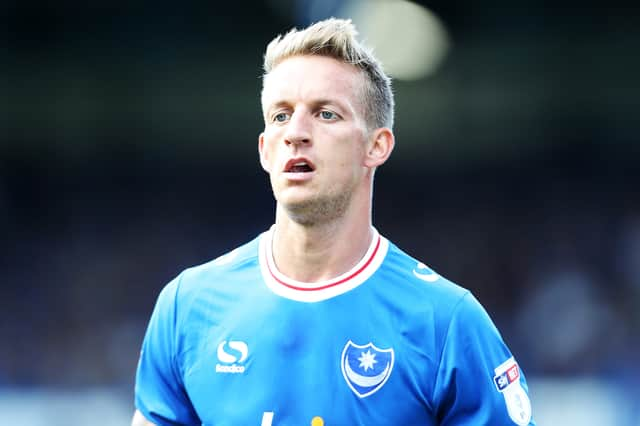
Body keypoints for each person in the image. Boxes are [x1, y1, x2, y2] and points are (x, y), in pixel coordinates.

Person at [132, 18, 535, 426]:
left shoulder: (445, 323)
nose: (296, 133)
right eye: (280, 116)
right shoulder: (188, 307)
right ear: (264, 150)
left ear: (376, 146)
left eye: (326, 114)